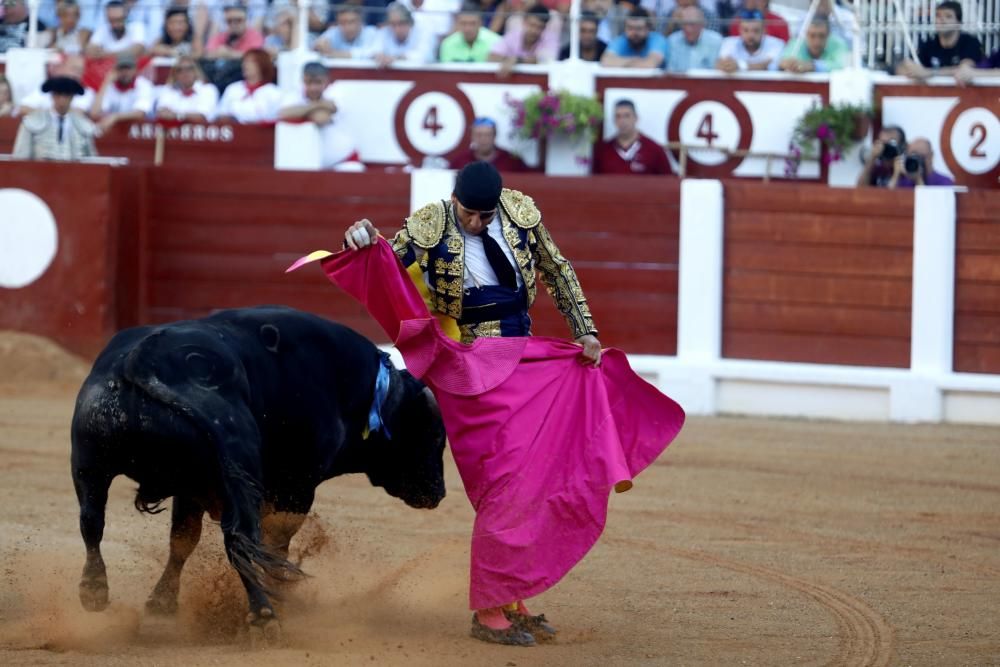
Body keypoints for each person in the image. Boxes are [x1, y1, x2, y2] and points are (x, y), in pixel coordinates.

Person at [318, 162, 683, 646]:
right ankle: (489, 606)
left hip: (523, 357)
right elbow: (382, 258)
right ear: (454, 202)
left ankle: (512, 596)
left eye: (484, 216)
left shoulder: (516, 212)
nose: (477, 224)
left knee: (534, 475)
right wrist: (358, 239)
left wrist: (586, 330)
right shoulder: (430, 222)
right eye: (469, 214)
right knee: (505, 479)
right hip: (468, 365)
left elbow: (557, 268)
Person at [278, 62, 361, 170]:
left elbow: (321, 118)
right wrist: (317, 105)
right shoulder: (294, 94)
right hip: (311, 163)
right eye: (309, 82)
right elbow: (283, 113)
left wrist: (300, 110)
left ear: (326, 81)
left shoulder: (336, 92)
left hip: (343, 160)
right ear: (303, 80)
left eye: (318, 82)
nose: (313, 88)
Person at [12, 76, 98, 160]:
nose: (62, 100)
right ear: (52, 96)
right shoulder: (31, 123)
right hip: (40, 173)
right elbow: (21, 158)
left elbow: (92, 162)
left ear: (72, 97)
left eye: (66, 95)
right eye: (58, 95)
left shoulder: (83, 126)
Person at [897, 1, 983, 82]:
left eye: (948, 16)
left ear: (959, 23)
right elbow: (907, 66)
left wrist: (928, 73)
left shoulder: (970, 42)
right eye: (938, 16)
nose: (942, 20)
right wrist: (909, 70)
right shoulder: (929, 44)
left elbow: (965, 69)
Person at [592, 98, 671, 175]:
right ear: (614, 120)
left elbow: (668, 182)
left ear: (636, 118)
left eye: (627, 116)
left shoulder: (654, 150)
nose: (622, 121)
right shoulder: (602, 151)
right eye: (618, 116)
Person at [89, 52, 155, 132]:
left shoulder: (143, 85)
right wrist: (105, 83)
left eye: (128, 68)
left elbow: (140, 113)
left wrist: (115, 117)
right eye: (121, 68)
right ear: (116, 70)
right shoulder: (110, 86)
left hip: (139, 133)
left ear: (135, 70)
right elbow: (95, 113)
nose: (125, 72)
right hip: (115, 133)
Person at [215, 48, 282, 123]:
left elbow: (275, 119)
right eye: (244, 61)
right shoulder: (233, 88)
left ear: (262, 64)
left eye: (251, 62)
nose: (245, 65)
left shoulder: (274, 92)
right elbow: (221, 114)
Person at [15, 54, 95, 116]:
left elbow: (78, 113)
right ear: (63, 68)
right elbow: (23, 108)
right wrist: (51, 115)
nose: (77, 73)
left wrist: (45, 113)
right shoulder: (48, 87)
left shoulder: (87, 93)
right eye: (74, 69)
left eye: (80, 70)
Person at [489, 2, 560, 71]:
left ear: (545, 28)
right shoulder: (513, 35)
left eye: (540, 27)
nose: (534, 30)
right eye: (532, 25)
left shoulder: (550, 39)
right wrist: (508, 60)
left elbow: (545, 60)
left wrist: (517, 60)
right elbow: (493, 56)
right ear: (524, 22)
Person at [600, 7, 669, 69]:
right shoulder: (622, 40)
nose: (634, 33)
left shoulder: (657, 39)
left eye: (639, 28)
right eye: (630, 28)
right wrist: (636, 60)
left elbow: (650, 64)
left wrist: (620, 62)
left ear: (648, 29)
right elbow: (605, 61)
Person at [449, 117, 528, 172]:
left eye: (488, 135)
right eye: (479, 135)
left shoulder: (512, 161)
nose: (483, 139)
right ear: (472, 136)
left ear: (495, 135)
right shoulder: (460, 161)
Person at [369, 2, 436, 66]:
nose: (397, 29)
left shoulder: (423, 32)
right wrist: (379, 56)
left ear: (410, 23)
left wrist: (396, 58)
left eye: (401, 23)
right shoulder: (384, 32)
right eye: (393, 24)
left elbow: (425, 55)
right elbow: (372, 51)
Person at [715, 9, 783, 72]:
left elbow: (766, 66)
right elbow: (721, 64)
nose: (750, 35)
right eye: (746, 30)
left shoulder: (776, 44)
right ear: (740, 30)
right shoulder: (729, 42)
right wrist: (725, 65)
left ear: (764, 31)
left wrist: (739, 66)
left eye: (756, 31)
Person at [154, 56, 218, 122]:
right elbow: (161, 113)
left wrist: (177, 115)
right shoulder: (169, 90)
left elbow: (202, 117)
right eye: (179, 70)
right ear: (175, 75)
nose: (184, 73)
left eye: (189, 69)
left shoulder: (208, 89)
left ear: (196, 71)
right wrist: (186, 116)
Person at [778, 15, 849, 73]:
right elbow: (783, 62)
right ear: (805, 34)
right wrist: (788, 64)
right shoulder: (796, 43)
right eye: (812, 35)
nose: (817, 41)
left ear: (828, 35)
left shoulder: (838, 44)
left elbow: (843, 66)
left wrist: (813, 66)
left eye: (821, 36)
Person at [665, 5, 721, 72]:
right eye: (684, 24)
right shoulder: (673, 40)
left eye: (692, 24)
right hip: (679, 81)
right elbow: (670, 71)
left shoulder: (716, 40)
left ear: (702, 24)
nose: (688, 29)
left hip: (707, 81)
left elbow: (717, 71)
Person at [886, 137, 955, 188]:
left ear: (931, 156)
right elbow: (887, 199)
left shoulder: (944, 182)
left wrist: (918, 180)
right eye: (913, 156)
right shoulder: (903, 181)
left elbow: (928, 204)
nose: (918, 161)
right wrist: (896, 175)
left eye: (921, 157)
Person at [314, 6, 378, 58]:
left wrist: (333, 53)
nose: (347, 27)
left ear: (361, 22)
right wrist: (320, 45)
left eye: (351, 22)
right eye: (343, 22)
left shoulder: (371, 32)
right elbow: (317, 45)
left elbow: (371, 53)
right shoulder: (334, 31)